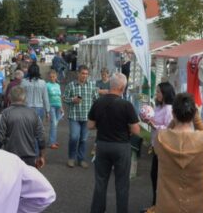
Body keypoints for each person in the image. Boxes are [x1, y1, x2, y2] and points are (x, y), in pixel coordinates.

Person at [152, 93, 203, 212]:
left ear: (173, 114)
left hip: (167, 206)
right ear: (194, 114)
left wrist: (174, 121)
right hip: (198, 206)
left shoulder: (160, 138)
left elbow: (166, 131)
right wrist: (195, 117)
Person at [88, 73, 140, 213]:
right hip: (121, 146)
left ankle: (97, 210)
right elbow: (136, 130)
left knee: (101, 182)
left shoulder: (98, 102)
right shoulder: (126, 105)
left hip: (103, 144)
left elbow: (90, 125)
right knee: (122, 184)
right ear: (122, 87)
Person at [0, 86, 46, 167]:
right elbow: (41, 136)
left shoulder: (5, 114)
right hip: (30, 157)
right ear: (25, 98)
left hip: (10, 156)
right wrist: (41, 156)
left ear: (10, 97)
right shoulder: (34, 113)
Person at [142, 82, 175, 206]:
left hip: (165, 149)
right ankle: (156, 202)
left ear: (165, 93)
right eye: (156, 91)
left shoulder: (169, 109)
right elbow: (154, 121)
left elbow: (169, 129)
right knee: (154, 176)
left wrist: (154, 125)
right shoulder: (159, 107)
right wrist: (147, 118)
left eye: (158, 92)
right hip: (157, 147)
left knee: (159, 177)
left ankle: (159, 203)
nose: (156, 94)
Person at [63, 64, 99, 168]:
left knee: (83, 139)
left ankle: (81, 159)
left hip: (87, 118)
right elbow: (64, 98)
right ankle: (71, 158)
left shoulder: (92, 85)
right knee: (74, 138)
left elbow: (96, 100)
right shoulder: (71, 85)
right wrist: (72, 100)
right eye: (83, 73)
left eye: (86, 74)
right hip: (74, 117)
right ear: (78, 74)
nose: (84, 76)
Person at [46, 70, 64, 149]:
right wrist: (47, 110)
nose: (52, 78)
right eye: (51, 77)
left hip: (58, 106)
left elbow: (59, 97)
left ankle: (53, 140)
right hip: (51, 106)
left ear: (56, 77)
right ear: (49, 77)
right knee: (53, 124)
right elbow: (45, 97)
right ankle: (51, 142)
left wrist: (61, 107)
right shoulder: (47, 85)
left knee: (55, 125)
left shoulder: (58, 85)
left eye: (54, 77)